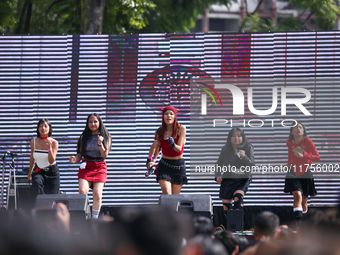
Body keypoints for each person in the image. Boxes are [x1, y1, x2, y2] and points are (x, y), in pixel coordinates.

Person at [69, 113, 111, 219]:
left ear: (99, 122)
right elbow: (79, 155)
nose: (93, 124)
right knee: (83, 191)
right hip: (87, 166)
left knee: (97, 193)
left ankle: (94, 219)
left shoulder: (106, 136)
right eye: (90, 122)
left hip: (100, 166)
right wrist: (75, 160)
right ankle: (82, 216)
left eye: (95, 121)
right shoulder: (84, 137)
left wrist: (100, 143)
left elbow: (105, 155)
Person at [284, 122, 320, 227]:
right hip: (293, 172)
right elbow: (291, 155)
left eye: (300, 127)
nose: (298, 129)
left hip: (305, 172)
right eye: (295, 128)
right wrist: (288, 164)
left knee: (304, 201)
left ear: (303, 131)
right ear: (291, 131)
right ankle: (298, 225)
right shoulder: (289, 143)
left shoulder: (308, 141)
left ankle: (304, 224)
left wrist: (304, 154)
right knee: (297, 195)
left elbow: (317, 157)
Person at [215, 127, 255, 217]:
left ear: (243, 137)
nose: (236, 138)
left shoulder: (248, 147)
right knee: (226, 207)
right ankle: (230, 228)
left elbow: (252, 164)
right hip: (228, 179)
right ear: (230, 138)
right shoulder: (225, 149)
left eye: (239, 136)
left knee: (238, 197)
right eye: (234, 136)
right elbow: (219, 164)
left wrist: (244, 156)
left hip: (242, 179)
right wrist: (217, 176)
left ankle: (238, 227)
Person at [147, 106, 187, 195]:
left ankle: (162, 208)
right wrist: (151, 160)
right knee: (167, 192)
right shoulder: (160, 131)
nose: (168, 116)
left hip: (178, 167)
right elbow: (156, 147)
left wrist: (172, 144)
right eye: (166, 114)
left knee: (174, 198)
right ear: (163, 116)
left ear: (175, 116)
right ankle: (162, 208)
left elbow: (179, 150)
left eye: (171, 114)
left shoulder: (181, 129)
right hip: (164, 166)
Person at [28, 119, 60, 201]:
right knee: (36, 182)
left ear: (49, 128)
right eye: (41, 126)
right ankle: (42, 203)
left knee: (52, 198)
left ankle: (48, 207)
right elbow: (32, 157)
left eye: (46, 126)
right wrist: (30, 171)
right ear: (38, 128)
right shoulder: (33, 141)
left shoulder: (54, 142)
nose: (43, 128)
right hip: (39, 170)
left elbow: (51, 161)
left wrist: (49, 149)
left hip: (52, 172)